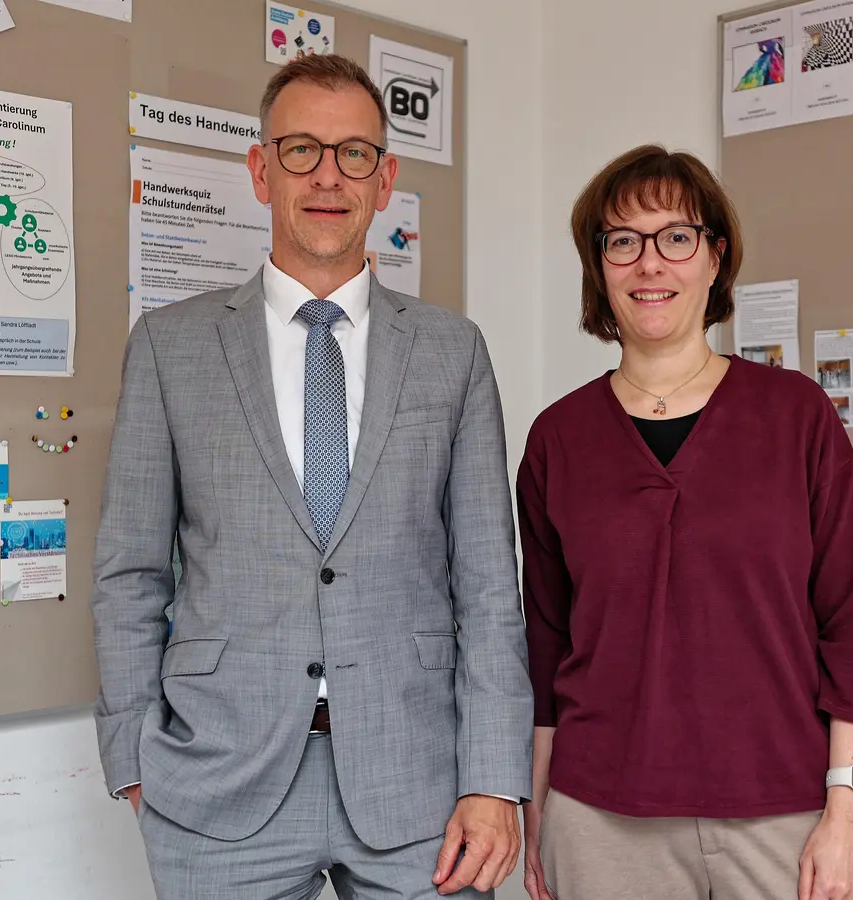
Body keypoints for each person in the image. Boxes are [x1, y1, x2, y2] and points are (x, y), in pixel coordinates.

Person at [91, 54, 532, 900]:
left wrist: (492, 776)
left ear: (385, 178)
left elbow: (486, 584)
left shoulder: (452, 352)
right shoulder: (169, 347)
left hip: (420, 783)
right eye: (301, 150)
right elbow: (130, 573)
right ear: (261, 170)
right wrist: (132, 757)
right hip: (218, 784)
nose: (328, 176)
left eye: (354, 154)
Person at [517, 145, 853, 900]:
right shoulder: (558, 438)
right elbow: (546, 647)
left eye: (676, 237)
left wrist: (848, 815)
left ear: (715, 258)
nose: (649, 264)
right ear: (600, 268)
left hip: (783, 813)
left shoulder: (796, 416)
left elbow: (847, 626)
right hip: (599, 821)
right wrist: (538, 816)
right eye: (622, 241)